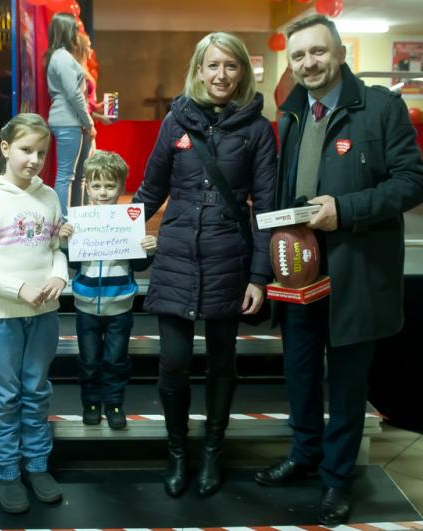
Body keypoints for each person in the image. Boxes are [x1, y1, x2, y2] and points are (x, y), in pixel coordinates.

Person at [252, 14, 423, 526]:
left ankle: (336, 477)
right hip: (298, 271)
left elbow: (414, 182)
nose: (309, 63)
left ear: (340, 53)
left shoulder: (381, 108)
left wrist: (345, 210)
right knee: (300, 372)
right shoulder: (290, 113)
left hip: (356, 270)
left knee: (349, 382)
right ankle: (304, 454)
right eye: (299, 55)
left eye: (318, 51)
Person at [133, 32, 277, 498]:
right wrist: (112, 235)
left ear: (242, 73)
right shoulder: (175, 122)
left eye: (231, 66)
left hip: (228, 258)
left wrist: (260, 276)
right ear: (198, 70)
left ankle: (213, 450)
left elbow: (267, 208)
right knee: (173, 363)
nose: (221, 75)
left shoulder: (258, 129)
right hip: (176, 256)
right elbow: (150, 190)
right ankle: (177, 451)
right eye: (213, 65)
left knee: (221, 362)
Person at [0, 113, 69, 514]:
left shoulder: (49, 196)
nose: (34, 160)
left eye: (41, 152)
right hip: (0, 318)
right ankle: (7, 472)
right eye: (25, 150)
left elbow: (55, 250)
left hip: (44, 315)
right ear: (5, 148)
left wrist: (59, 275)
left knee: (37, 392)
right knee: (6, 398)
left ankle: (37, 466)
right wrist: (18, 289)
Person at [58, 151, 157, 430]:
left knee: (115, 359)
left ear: (121, 187)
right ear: (88, 188)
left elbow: (138, 265)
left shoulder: (129, 222)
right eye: (97, 186)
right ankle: (91, 403)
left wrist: (148, 249)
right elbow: (73, 263)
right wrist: (65, 242)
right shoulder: (79, 222)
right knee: (89, 360)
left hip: (120, 305)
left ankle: (114, 404)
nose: (103, 192)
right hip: (85, 305)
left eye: (110, 186)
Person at [45, 12, 94, 219]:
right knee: (66, 175)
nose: (78, 33)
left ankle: (77, 219)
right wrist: (89, 122)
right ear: (66, 30)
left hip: (71, 121)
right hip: (67, 121)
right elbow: (73, 93)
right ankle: (64, 222)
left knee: (78, 176)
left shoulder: (61, 56)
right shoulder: (62, 57)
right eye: (75, 29)